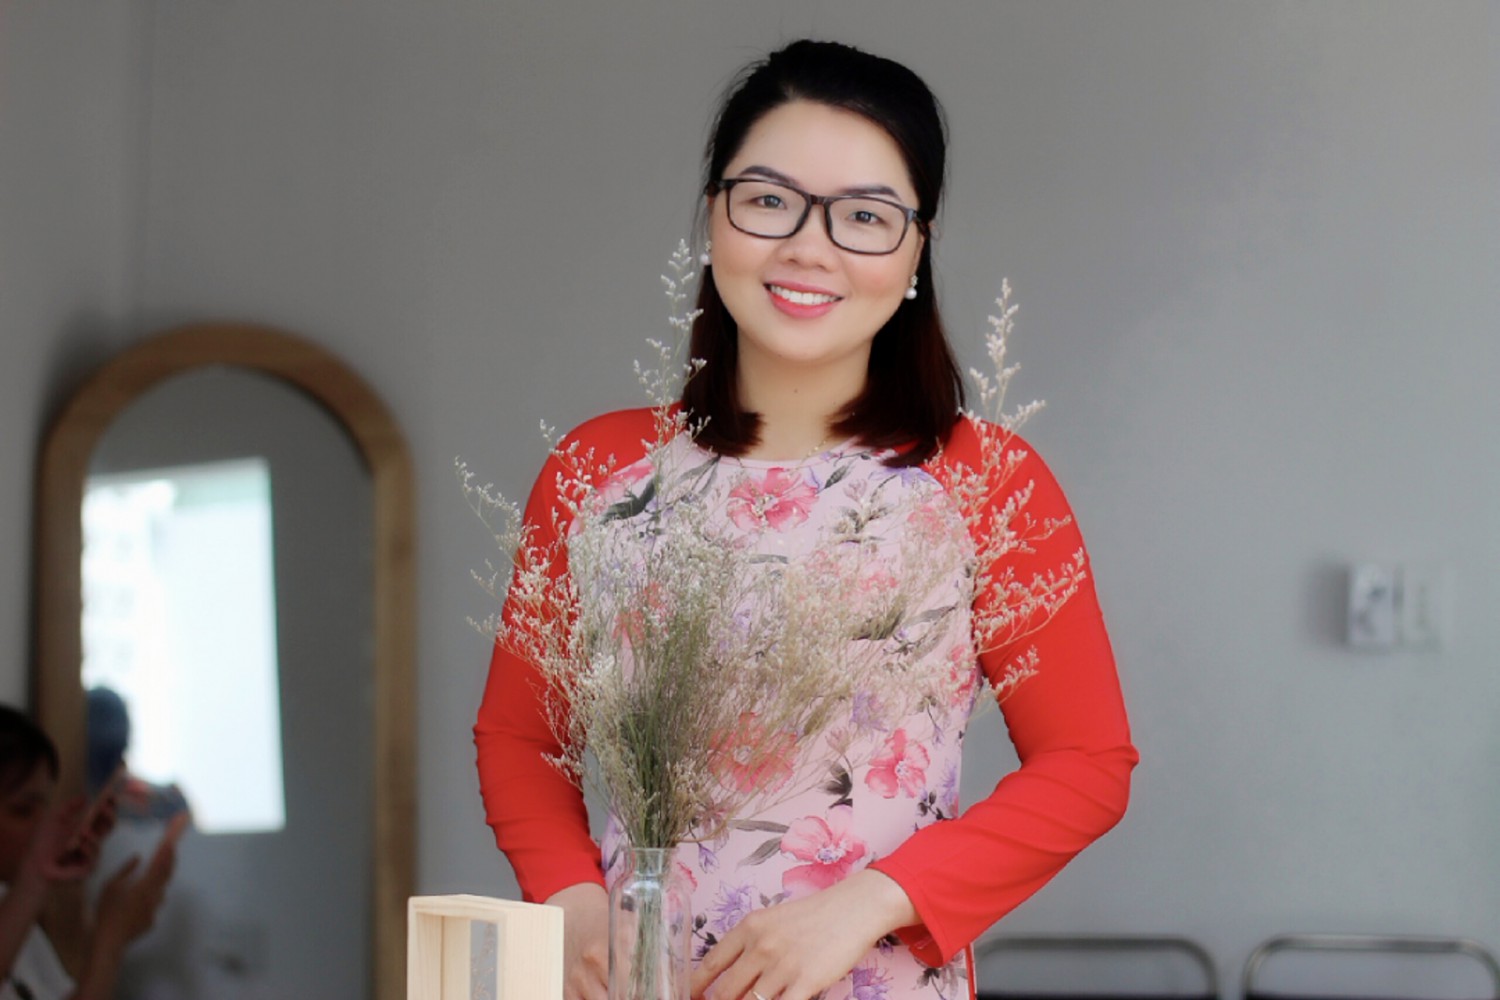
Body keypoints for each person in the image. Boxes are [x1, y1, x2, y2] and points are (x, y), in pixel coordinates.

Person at [475, 39, 1138, 1000]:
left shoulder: (987, 482)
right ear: (714, 213)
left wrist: (868, 904)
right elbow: (522, 735)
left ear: (916, 248)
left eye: (865, 216)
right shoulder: (599, 470)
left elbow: (1087, 763)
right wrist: (572, 903)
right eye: (769, 199)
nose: (809, 247)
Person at [0, 706, 187, 1000]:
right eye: (23, 810)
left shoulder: (12, 911)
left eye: (46, 809)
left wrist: (112, 933)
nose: (44, 828)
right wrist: (110, 939)